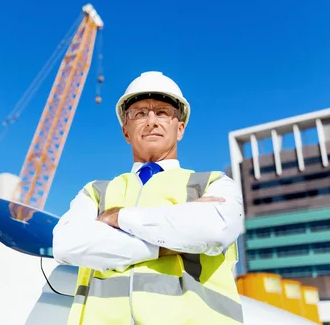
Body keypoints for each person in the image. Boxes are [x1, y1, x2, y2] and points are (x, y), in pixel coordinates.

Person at [52, 71, 245, 325]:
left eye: (162, 112)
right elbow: (67, 244)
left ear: (180, 129)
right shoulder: (96, 191)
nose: (151, 121)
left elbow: (212, 231)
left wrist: (118, 217)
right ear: (126, 132)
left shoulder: (212, 183)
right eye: (140, 114)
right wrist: (167, 243)